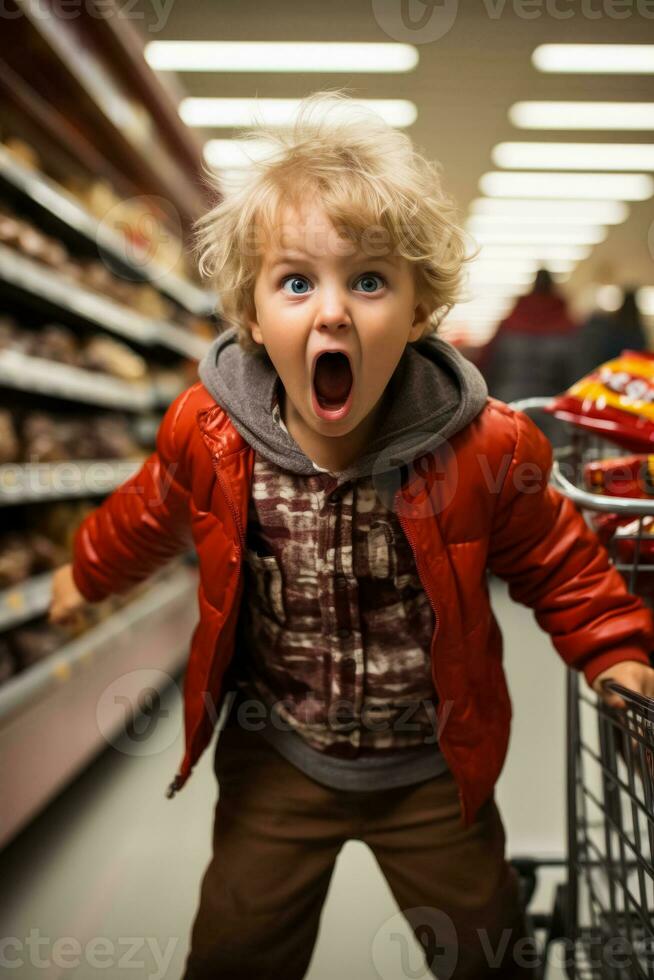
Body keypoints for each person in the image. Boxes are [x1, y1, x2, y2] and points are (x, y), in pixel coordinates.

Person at [48, 91, 654, 980]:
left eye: (368, 281)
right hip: (278, 758)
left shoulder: (485, 448)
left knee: (489, 952)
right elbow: (152, 509)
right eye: (297, 281)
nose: (331, 311)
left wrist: (613, 651)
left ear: (418, 314)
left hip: (435, 769)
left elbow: (559, 561)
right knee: (235, 949)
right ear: (252, 317)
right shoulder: (210, 432)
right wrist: (88, 573)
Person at [575, 286, 648, 377]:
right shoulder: (637, 329)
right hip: (630, 369)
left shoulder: (613, 325)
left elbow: (605, 348)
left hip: (610, 367)